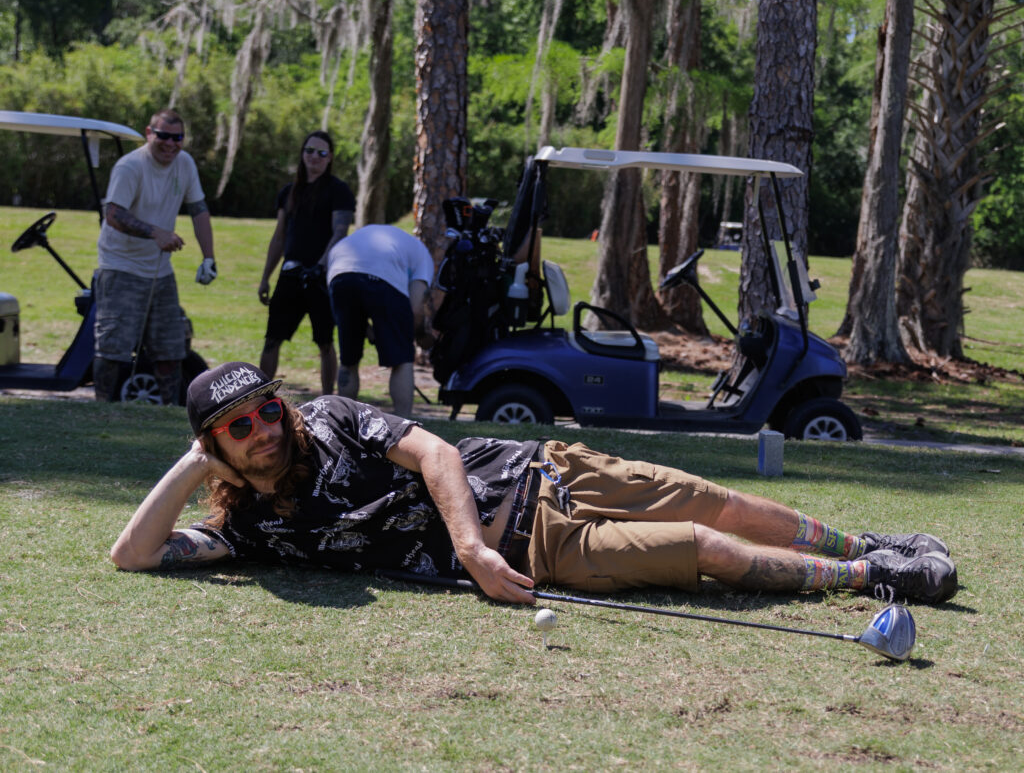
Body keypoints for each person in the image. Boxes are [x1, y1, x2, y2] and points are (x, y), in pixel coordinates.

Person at [111, 362, 958, 608]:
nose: (261, 431)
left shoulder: (330, 415)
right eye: (236, 429)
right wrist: (193, 468)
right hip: (542, 547)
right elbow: (132, 555)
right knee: (698, 549)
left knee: (717, 499)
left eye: (263, 411)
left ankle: (865, 541)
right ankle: (874, 577)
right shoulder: (248, 531)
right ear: (216, 444)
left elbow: (436, 454)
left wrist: (466, 545)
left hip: (540, 467)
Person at [94, 109, 217, 405]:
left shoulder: (184, 164)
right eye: (163, 136)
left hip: (160, 272)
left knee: (171, 349)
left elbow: (198, 209)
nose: (170, 144)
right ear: (149, 133)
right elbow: (113, 214)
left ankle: (168, 413)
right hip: (121, 267)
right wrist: (155, 233)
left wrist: (209, 257)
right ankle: (99, 409)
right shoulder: (130, 167)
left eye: (177, 138)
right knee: (112, 350)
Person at [258, 131, 355, 395]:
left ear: (330, 158)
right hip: (290, 275)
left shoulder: (339, 191)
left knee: (325, 341)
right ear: (302, 154)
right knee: (272, 339)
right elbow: (279, 236)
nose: (315, 157)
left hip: (320, 278)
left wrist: (321, 266)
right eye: (310, 151)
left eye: (321, 153)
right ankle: (262, 396)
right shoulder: (289, 192)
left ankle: (328, 400)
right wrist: (266, 276)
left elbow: (339, 232)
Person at [325, 224, 435, 416]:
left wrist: (371, 331)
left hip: (340, 272)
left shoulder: (394, 243)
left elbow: (345, 304)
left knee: (349, 359)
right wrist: (417, 335)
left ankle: (344, 423)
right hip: (383, 279)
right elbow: (416, 308)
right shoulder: (424, 256)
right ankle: (405, 424)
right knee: (402, 360)